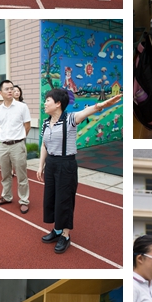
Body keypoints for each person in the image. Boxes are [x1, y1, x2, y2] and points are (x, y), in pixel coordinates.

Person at [37, 87, 122, 254]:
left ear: (58, 103)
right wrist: (41, 166)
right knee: (52, 198)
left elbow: (89, 111)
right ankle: (57, 229)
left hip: (66, 164)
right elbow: (44, 145)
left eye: (48, 100)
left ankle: (66, 235)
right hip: (51, 164)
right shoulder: (46, 123)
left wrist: (103, 104)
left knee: (64, 200)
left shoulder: (70, 119)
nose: (45, 103)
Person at [0, 80, 31, 214]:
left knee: (21, 175)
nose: (10, 91)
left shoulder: (22, 107)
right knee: (5, 174)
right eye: (7, 89)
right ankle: (7, 196)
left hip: (17, 145)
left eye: (11, 88)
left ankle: (24, 200)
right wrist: (6, 137)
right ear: (0, 93)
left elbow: (27, 126)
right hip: (3, 146)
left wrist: (19, 139)